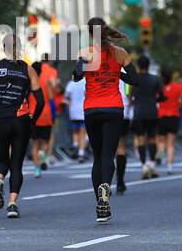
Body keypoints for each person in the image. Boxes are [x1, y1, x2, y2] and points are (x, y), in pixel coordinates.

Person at [71, 17, 139, 223]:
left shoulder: (85, 52)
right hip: (114, 108)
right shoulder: (120, 53)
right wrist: (118, 75)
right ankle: (106, 191)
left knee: (98, 157)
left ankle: (99, 203)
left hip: (92, 109)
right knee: (109, 155)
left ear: (91, 33)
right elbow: (135, 80)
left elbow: (76, 76)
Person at [0, 34, 44, 218]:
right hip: (20, 120)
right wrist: (33, 121)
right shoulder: (28, 70)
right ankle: (12, 203)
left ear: (3, 48)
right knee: (16, 164)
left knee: (1, 161)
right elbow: (40, 100)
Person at [128, 55, 164, 179]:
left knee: (140, 139)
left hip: (138, 112)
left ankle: (143, 165)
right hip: (152, 112)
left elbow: (130, 96)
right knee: (153, 138)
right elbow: (161, 96)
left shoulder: (133, 79)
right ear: (148, 66)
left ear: (138, 65)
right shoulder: (156, 79)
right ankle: (152, 164)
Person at [29, 61, 55, 178]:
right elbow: (51, 98)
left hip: (32, 114)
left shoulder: (28, 83)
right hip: (46, 114)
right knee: (46, 141)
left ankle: (36, 169)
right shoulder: (47, 81)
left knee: (35, 144)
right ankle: (43, 153)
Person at [158, 66, 182, 170]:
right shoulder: (178, 86)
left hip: (161, 116)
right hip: (174, 116)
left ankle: (161, 155)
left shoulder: (160, 87)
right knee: (171, 143)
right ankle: (170, 165)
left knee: (161, 141)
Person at [63, 73, 88, 161]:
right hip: (83, 110)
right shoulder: (87, 82)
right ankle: (81, 153)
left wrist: (70, 107)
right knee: (83, 133)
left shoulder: (71, 83)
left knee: (75, 132)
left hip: (73, 112)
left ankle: (75, 144)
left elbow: (66, 99)